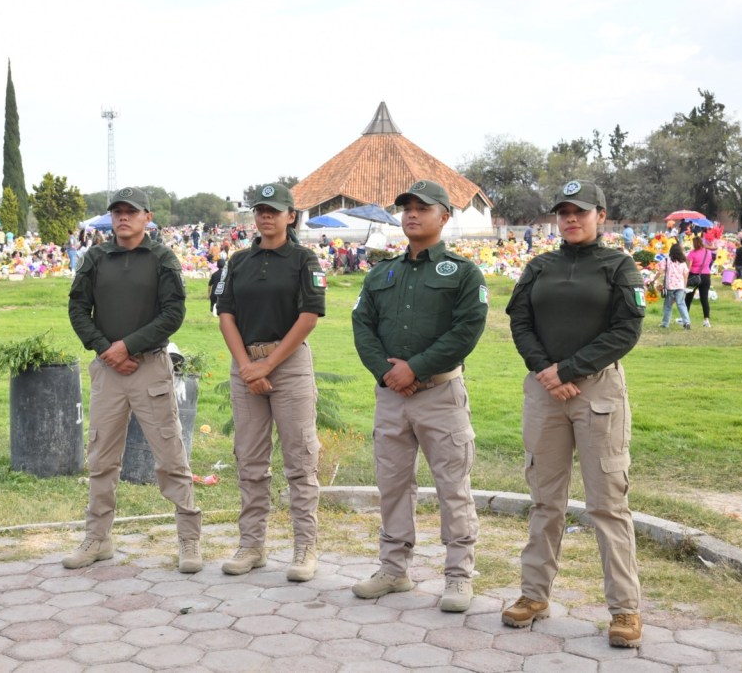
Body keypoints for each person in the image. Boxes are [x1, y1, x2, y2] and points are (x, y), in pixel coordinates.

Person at [504, 180, 646, 648]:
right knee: (545, 500)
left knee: (607, 504)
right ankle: (533, 595)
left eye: (580, 212)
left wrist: (569, 370)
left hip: (597, 392)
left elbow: (626, 329)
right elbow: (520, 321)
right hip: (544, 391)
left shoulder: (618, 266)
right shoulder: (539, 266)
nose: (570, 219)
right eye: (563, 212)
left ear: (600, 215)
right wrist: (546, 371)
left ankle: (624, 609)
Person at [351, 179, 488, 612]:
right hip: (392, 397)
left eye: (422, 208)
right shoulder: (381, 272)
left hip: (440, 394)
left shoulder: (463, 273)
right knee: (392, 484)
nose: (412, 214)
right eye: (406, 207)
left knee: (453, 487)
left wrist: (416, 368)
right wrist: (386, 372)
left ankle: (459, 575)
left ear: (444, 216)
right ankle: (394, 569)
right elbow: (362, 326)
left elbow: (467, 330)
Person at [66, 187, 202, 573]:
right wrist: (105, 349)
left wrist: (128, 346)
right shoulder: (95, 258)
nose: (123, 217)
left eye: (131, 211)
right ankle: (98, 538)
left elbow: (173, 313)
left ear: (148, 217)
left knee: (170, 456)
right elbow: (77, 308)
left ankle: (189, 538)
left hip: (150, 367)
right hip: (108, 370)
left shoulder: (161, 258)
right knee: (101, 458)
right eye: (117, 212)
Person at [215, 182, 326, 582]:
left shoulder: (303, 260)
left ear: (290, 216)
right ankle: (251, 545)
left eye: (274, 211)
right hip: (245, 362)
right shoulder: (238, 261)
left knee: (300, 459)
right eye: (260, 210)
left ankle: (304, 548)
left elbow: (309, 317)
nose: (265, 216)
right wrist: (248, 366)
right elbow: (225, 314)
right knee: (249, 460)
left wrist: (268, 366)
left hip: (288, 363)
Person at [684, 236, 714, 328]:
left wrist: (685, 279)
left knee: (688, 298)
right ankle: (706, 320)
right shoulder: (708, 252)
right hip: (706, 276)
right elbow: (709, 262)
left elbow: (688, 268)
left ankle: (685, 318)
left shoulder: (692, 253)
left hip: (693, 277)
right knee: (704, 299)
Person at [659, 243, 691, 329]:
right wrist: (684, 286)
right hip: (680, 286)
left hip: (670, 286)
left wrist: (654, 279)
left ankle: (665, 323)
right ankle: (687, 322)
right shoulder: (683, 262)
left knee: (668, 305)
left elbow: (660, 271)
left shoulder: (666, 260)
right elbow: (685, 275)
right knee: (681, 304)